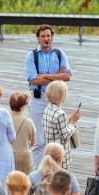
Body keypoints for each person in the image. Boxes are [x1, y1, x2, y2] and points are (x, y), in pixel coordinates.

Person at [25, 24, 71, 167]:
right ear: (38, 39)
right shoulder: (31, 56)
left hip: (56, 100)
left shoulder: (59, 53)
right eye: (43, 36)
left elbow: (68, 76)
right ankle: (38, 172)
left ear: (52, 37)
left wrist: (44, 76)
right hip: (38, 99)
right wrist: (58, 76)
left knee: (55, 138)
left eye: (48, 36)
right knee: (39, 141)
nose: (46, 39)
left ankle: (52, 170)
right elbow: (33, 79)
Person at [9, 92, 35, 175]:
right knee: (25, 183)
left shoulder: (6, 120)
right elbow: (33, 142)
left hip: (9, 155)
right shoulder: (28, 122)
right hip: (24, 156)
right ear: (23, 106)